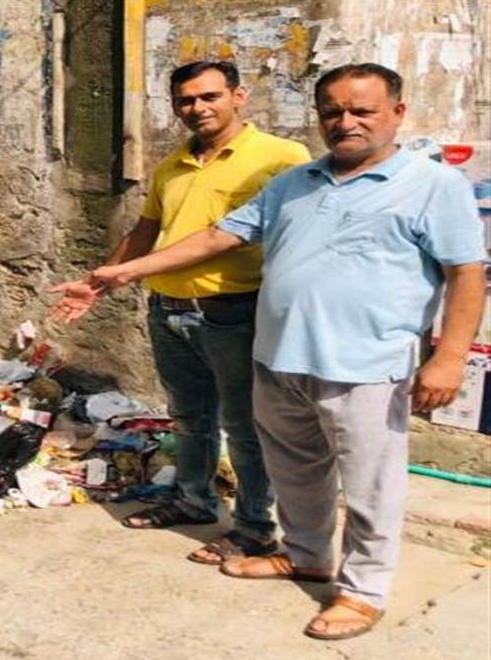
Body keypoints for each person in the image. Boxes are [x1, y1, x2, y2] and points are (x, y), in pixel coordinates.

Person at [56, 63, 485, 640]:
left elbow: (466, 274)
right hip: (278, 356)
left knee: (369, 486)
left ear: (397, 114)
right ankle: (306, 554)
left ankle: (362, 592)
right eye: (332, 111)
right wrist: (122, 273)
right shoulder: (294, 183)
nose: (345, 122)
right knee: (296, 474)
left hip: (365, 366)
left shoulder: (432, 186)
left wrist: (449, 356)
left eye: (362, 111)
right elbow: (217, 236)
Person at [52, 61, 310, 564]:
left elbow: (230, 237)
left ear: (239, 96)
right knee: (189, 419)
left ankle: (256, 527)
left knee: (245, 425)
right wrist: (97, 281)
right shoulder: (172, 165)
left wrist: (126, 273)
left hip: (234, 311)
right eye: (186, 101)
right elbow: (146, 231)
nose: (197, 108)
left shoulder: (281, 157)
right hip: (168, 310)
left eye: (209, 97)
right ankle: (193, 501)